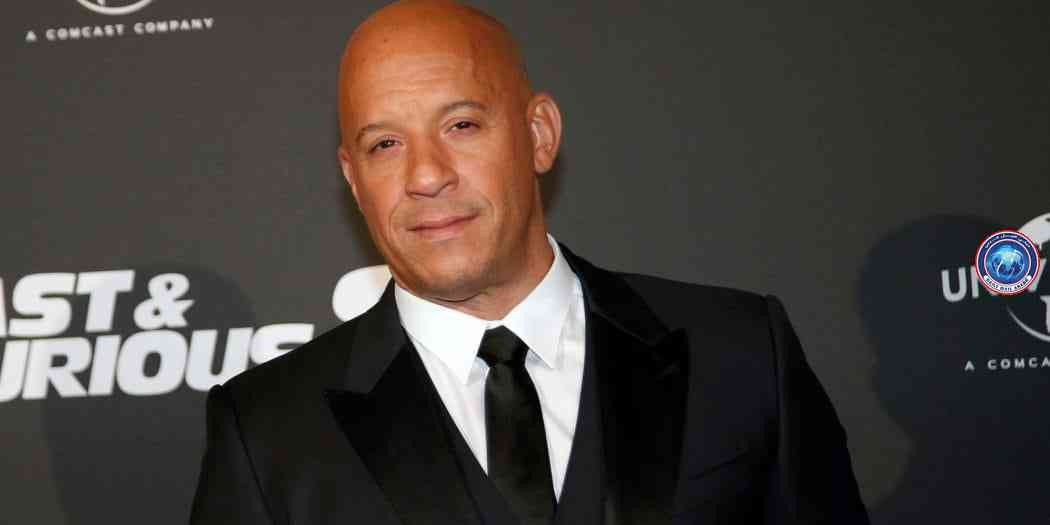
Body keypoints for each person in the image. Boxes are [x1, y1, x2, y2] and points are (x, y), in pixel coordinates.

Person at [189, 1, 870, 523]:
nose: (425, 175)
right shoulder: (268, 431)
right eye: (385, 144)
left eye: (461, 125)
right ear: (353, 177)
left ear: (539, 134)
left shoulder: (741, 352)